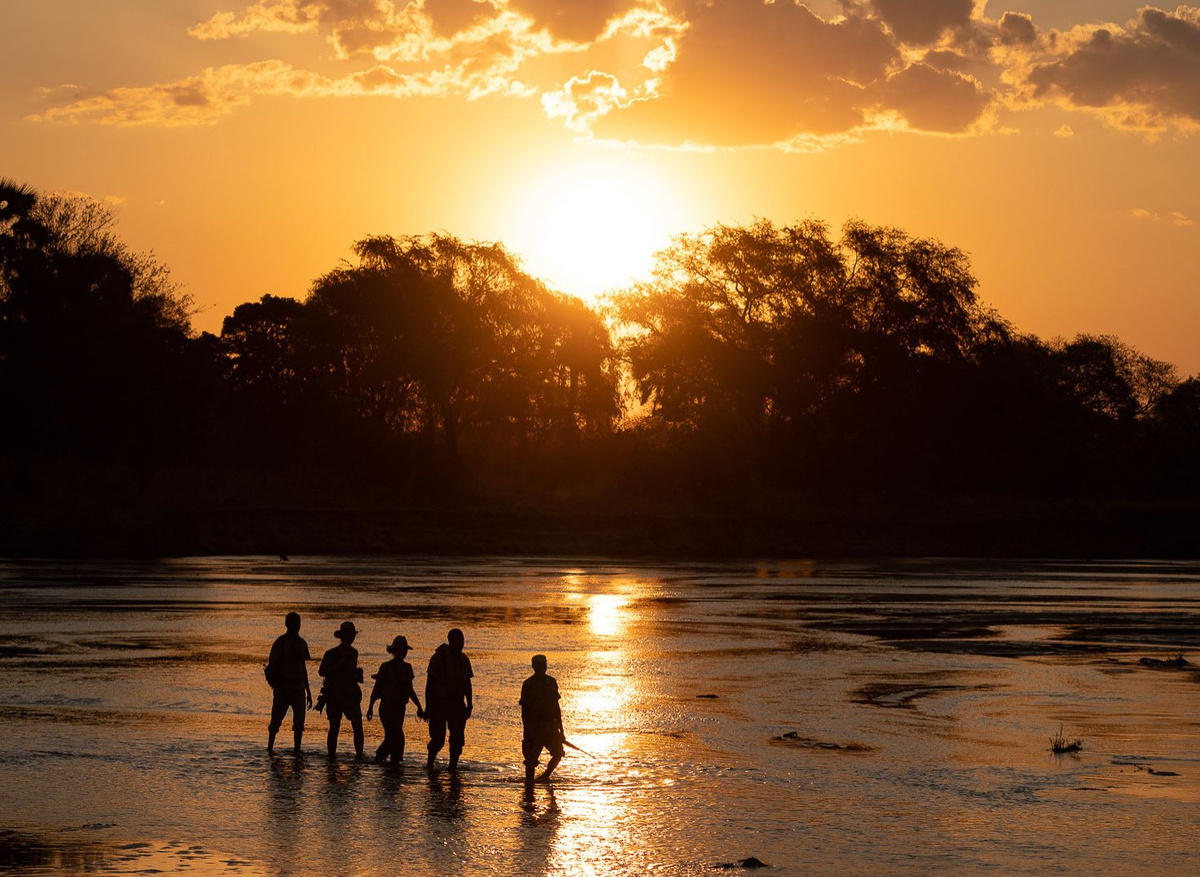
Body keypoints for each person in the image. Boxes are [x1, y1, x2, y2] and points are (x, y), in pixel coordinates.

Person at [366, 635, 425, 763]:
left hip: (400, 708)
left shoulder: (407, 668)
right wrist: (370, 707)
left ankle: (392, 762)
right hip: (387, 707)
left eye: (405, 650)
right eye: (401, 649)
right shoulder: (385, 667)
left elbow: (410, 690)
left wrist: (419, 706)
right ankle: (382, 758)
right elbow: (376, 689)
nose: (404, 652)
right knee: (397, 736)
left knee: (393, 736)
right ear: (394, 651)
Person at [425, 628, 473, 771]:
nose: (462, 644)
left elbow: (467, 684)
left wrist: (469, 704)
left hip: (458, 704)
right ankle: (429, 764)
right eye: (459, 640)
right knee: (438, 740)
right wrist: (428, 707)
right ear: (451, 641)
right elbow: (429, 684)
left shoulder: (464, 659)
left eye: (463, 640)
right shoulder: (438, 658)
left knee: (457, 741)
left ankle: (452, 767)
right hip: (440, 703)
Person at [265, 611, 312, 754]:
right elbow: (272, 666)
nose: (296, 627)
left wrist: (308, 692)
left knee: (299, 724)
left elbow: (303, 669)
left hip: (298, 687)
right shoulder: (280, 643)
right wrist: (276, 685)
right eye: (293, 624)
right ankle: (270, 748)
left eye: (298, 624)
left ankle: (297, 750)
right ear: (287, 624)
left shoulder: (302, 643)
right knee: (276, 721)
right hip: (282, 686)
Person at [318, 621, 365, 758]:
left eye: (352, 635)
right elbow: (322, 672)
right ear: (343, 636)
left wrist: (358, 674)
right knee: (335, 727)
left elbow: (351, 676)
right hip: (334, 695)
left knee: (357, 727)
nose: (352, 638)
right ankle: (331, 756)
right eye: (350, 635)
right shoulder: (331, 654)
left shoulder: (354, 653)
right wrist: (338, 667)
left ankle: (359, 755)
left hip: (350, 695)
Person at [520, 654, 565, 784]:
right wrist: (527, 730)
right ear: (534, 666)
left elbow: (557, 708)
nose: (542, 667)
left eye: (544, 664)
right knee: (530, 760)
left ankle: (545, 776)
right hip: (534, 727)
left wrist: (561, 730)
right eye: (539, 665)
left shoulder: (552, 682)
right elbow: (524, 711)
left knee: (558, 753)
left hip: (550, 726)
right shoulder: (528, 684)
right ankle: (529, 784)